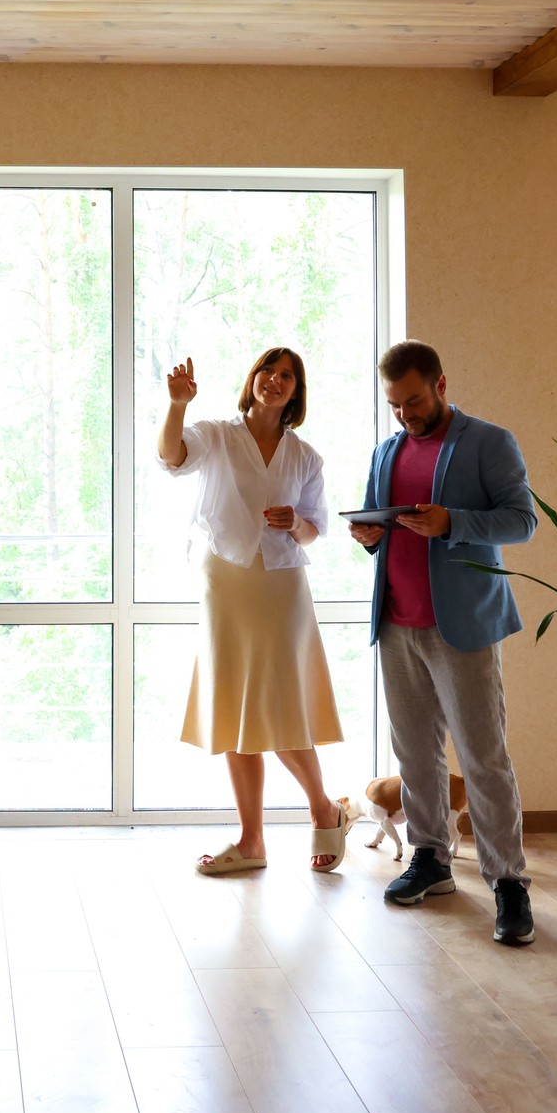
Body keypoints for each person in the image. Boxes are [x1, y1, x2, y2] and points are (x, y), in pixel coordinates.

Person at [349, 341, 538, 945]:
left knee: (483, 756)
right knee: (415, 755)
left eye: (414, 400)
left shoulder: (490, 442)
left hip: (463, 624)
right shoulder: (386, 451)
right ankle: (430, 857)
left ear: (441, 384)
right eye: (394, 405)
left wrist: (452, 521)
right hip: (397, 622)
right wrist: (369, 534)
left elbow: (521, 521)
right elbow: (385, 528)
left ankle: (508, 882)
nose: (405, 413)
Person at [158, 347, 350, 875]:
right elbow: (171, 458)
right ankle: (252, 842)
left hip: (283, 586)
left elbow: (314, 531)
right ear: (253, 378)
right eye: (269, 370)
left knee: (282, 707)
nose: (276, 380)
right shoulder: (217, 435)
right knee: (234, 708)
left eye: (288, 376)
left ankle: (323, 808)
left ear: (296, 391)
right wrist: (176, 404)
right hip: (226, 581)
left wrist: (293, 523)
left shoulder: (306, 457)